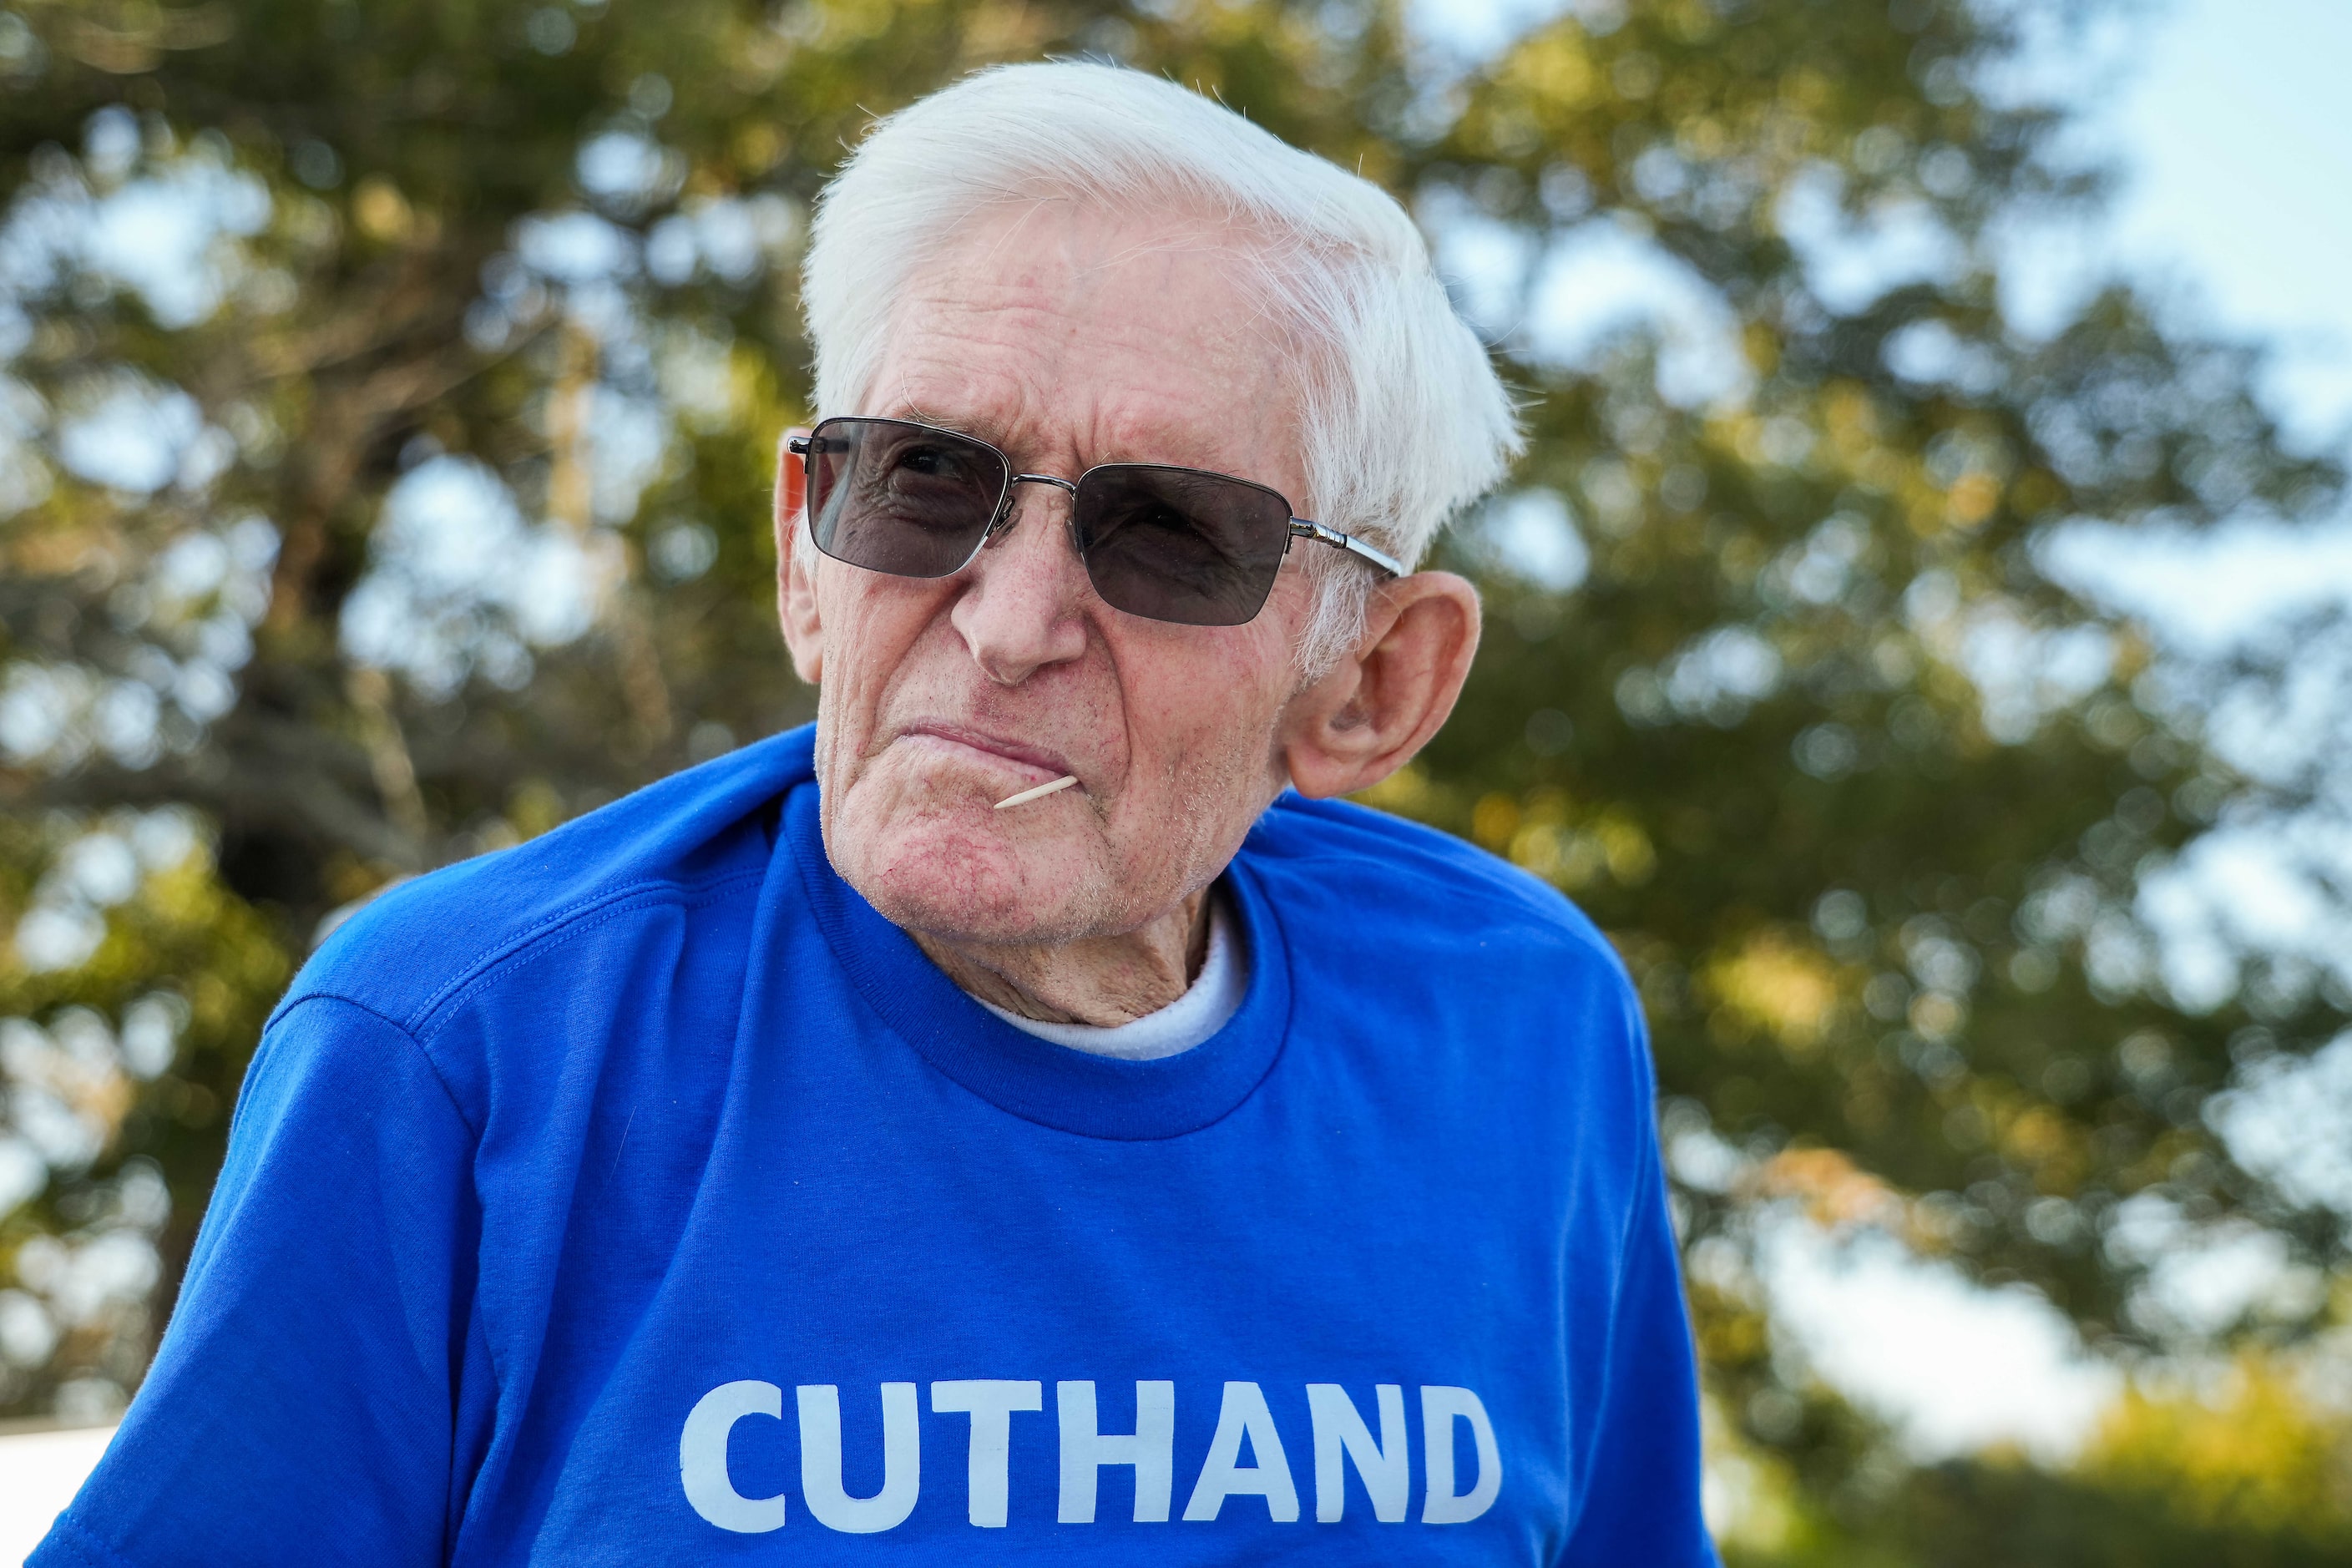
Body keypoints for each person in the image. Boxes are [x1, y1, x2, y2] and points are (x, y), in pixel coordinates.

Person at [37, 62, 1717, 1566]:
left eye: (1165, 536)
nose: (1006, 620)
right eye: (924, 480)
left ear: (1371, 686)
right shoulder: (464, 1044)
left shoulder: (1518, 1027)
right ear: (804, 553)